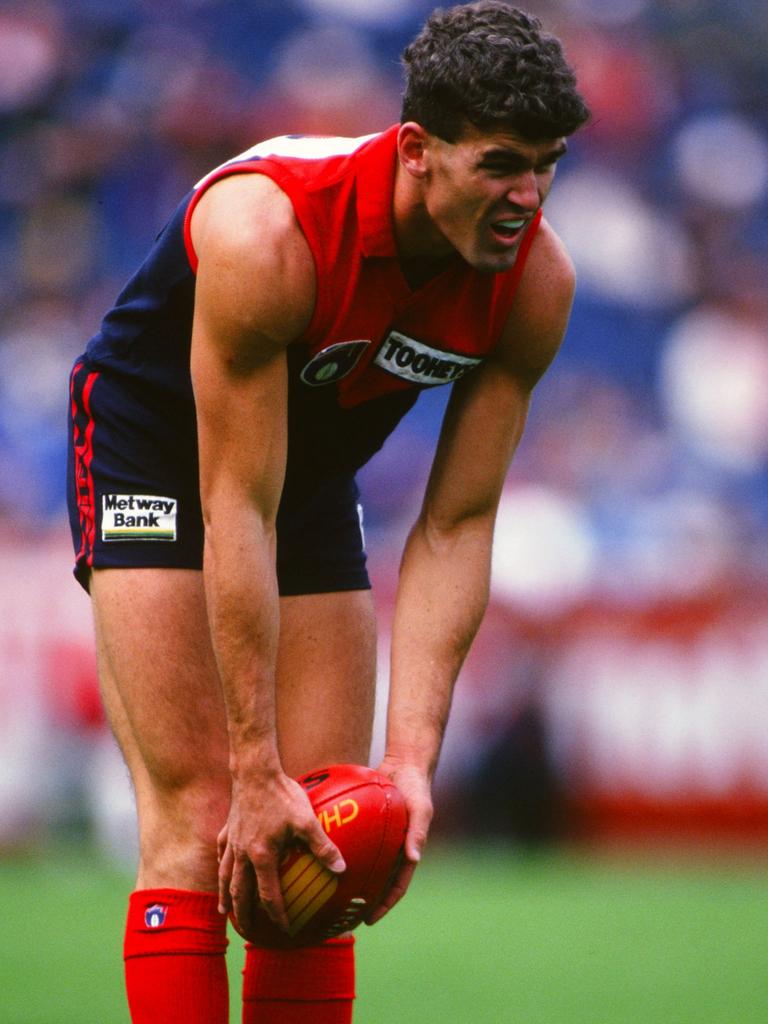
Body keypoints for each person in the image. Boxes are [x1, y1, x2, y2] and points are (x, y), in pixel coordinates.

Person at [66, 2, 589, 1021]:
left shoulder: (535, 282)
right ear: (417, 152)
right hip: (159, 451)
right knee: (208, 814)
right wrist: (257, 764)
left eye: (549, 162)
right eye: (500, 165)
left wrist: (409, 761)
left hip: (297, 473)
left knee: (320, 850)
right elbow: (235, 505)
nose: (528, 195)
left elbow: (456, 524)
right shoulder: (269, 234)